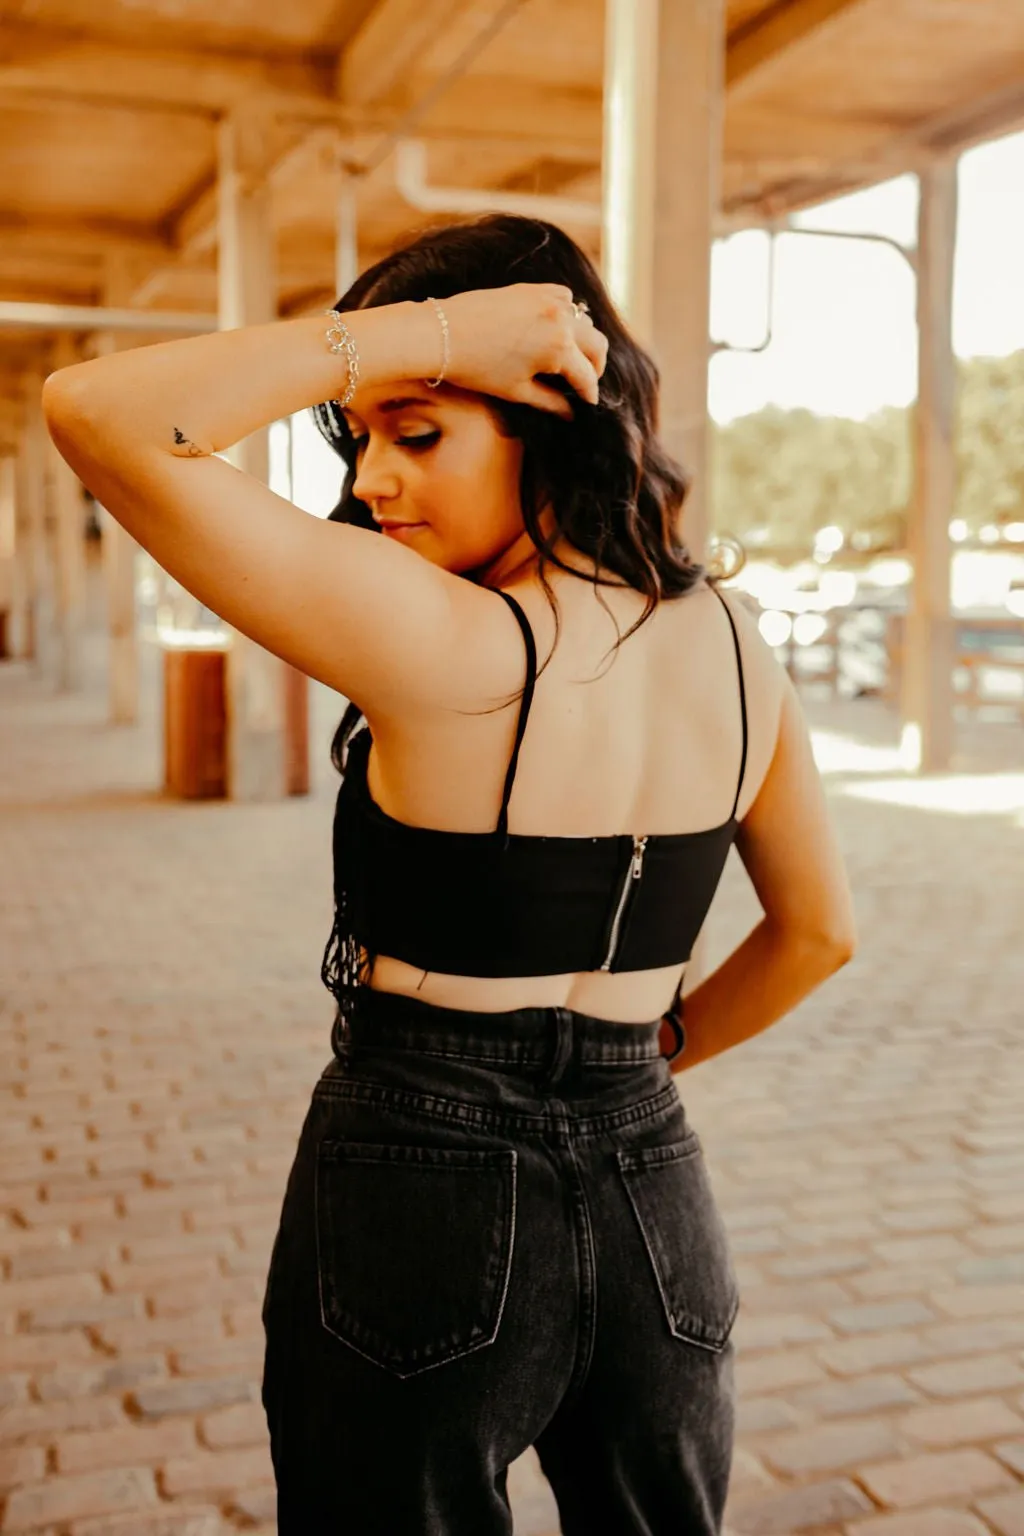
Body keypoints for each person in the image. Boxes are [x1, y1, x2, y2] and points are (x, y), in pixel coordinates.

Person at [43, 213, 857, 1536]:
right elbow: (818, 936)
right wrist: (626, 1066)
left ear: (553, 419)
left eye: (418, 433)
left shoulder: (451, 640)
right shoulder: (735, 644)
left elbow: (96, 411)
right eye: (361, 436)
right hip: (659, 1193)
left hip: (426, 1181)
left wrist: (424, 336)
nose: (372, 481)